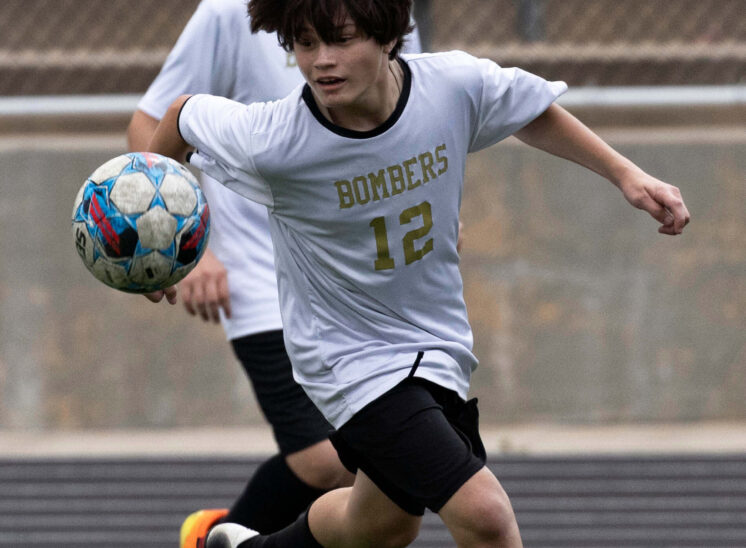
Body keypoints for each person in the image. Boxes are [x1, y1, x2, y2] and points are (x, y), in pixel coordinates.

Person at [144, 0, 690, 545]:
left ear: (388, 36)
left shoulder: (450, 86)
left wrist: (626, 174)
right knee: (485, 514)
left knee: (380, 526)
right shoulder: (272, 137)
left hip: (436, 343)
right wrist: (160, 235)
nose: (322, 60)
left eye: (341, 40)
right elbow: (179, 116)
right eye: (306, 44)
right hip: (348, 358)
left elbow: (528, 109)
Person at [126, 1, 422, 545]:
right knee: (326, 461)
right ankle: (219, 537)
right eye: (307, 43)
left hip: (354, 279)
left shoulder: (379, 10)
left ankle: (230, 534)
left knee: (381, 478)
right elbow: (150, 121)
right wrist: (191, 247)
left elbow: (412, 120)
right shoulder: (228, 12)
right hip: (258, 273)